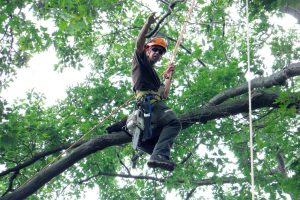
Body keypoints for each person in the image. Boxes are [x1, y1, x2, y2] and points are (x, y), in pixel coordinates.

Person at [131, 13, 181, 171]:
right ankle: (158, 155)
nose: (157, 53)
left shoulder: (154, 76)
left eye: (160, 52)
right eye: (154, 49)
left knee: (156, 140)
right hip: (148, 105)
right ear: (147, 50)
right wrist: (147, 23)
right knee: (173, 122)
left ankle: (154, 153)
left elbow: (164, 94)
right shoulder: (141, 63)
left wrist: (168, 77)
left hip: (153, 107)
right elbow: (138, 44)